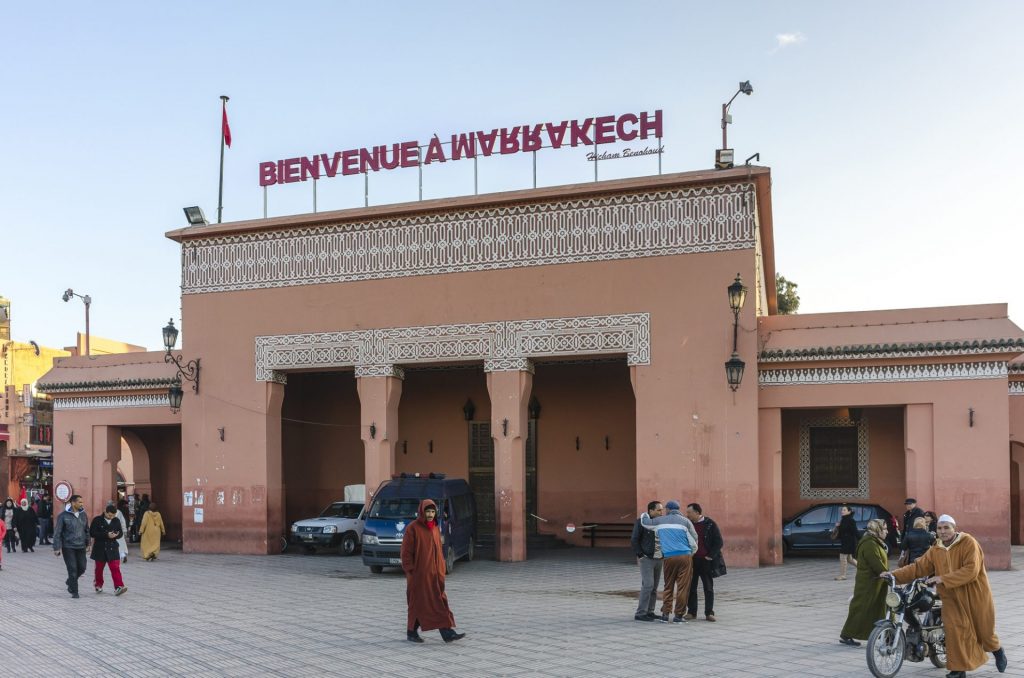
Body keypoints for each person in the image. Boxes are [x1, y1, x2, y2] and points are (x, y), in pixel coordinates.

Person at [890, 514, 1008, 677]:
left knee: (984, 631)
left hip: (975, 595)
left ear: (954, 528)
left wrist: (942, 578)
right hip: (950, 596)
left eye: (946, 527)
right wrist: (893, 575)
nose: (943, 531)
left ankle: (997, 650)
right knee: (954, 631)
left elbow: (971, 570)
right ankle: (958, 670)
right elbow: (918, 568)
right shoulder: (936, 549)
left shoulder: (969, 543)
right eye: (939, 528)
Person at [400, 499, 465, 643]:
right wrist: (411, 571)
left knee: (439, 602)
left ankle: (447, 632)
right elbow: (406, 552)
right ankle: (411, 632)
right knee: (418, 604)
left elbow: (438, 551)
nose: (430, 514)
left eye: (432, 511)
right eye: (427, 511)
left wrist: (441, 569)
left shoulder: (435, 527)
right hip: (419, 576)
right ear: (422, 512)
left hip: (435, 575)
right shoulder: (413, 528)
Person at [641, 499, 698, 623]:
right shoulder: (686, 521)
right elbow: (694, 538)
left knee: (668, 586)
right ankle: (678, 616)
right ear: (678, 509)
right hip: (685, 556)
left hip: (669, 557)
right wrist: (692, 552)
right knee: (683, 587)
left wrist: (644, 514)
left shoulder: (660, 521)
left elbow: (645, 523)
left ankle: (665, 615)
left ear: (668, 509)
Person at [839, 518, 890, 646]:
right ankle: (847, 634)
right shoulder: (870, 544)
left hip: (875, 583)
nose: (887, 531)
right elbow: (876, 563)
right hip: (869, 583)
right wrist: (889, 575)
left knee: (881, 608)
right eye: (884, 529)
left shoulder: (874, 541)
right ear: (877, 530)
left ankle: (888, 636)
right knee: (861, 608)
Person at [684, 503, 724, 622]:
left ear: (697, 512)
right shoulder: (687, 524)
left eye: (689, 512)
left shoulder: (710, 524)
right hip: (691, 560)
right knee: (691, 587)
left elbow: (719, 542)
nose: (687, 515)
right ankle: (691, 612)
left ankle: (709, 612)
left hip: (705, 561)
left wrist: (710, 556)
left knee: (708, 587)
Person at [630, 500, 664, 621]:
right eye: (659, 510)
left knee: (654, 587)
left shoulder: (661, 522)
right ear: (651, 510)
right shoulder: (641, 522)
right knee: (648, 585)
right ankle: (640, 613)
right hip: (647, 558)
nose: (661, 512)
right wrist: (640, 555)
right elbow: (634, 539)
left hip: (659, 558)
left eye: (662, 510)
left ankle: (650, 611)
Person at [53, 495, 89, 598]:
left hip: (81, 545)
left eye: (82, 502)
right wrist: (56, 547)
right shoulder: (63, 516)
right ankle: (74, 591)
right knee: (72, 569)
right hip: (68, 546)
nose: (82, 504)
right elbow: (57, 533)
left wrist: (88, 543)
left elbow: (87, 530)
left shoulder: (83, 515)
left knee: (82, 567)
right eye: (80, 502)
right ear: (73, 503)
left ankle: (70, 581)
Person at [90, 504, 127, 595]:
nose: (111, 517)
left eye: (113, 515)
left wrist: (116, 535)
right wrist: (106, 535)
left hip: (113, 547)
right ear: (105, 512)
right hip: (100, 548)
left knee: (115, 568)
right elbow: (92, 533)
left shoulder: (116, 520)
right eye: (110, 515)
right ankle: (98, 585)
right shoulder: (97, 520)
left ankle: (119, 586)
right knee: (99, 569)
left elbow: (120, 533)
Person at [835, 505, 859, 581]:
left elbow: (855, 531)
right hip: (845, 541)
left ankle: (843, 575)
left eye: (844, 510)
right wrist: (838, 526)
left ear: (849, 511)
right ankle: (864, 569)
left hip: (849, 542)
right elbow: (842, 531)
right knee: (850, 559)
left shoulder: (851, 520)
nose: (842, 511)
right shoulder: (843, 519)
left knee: (842, 557)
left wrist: (862, 539)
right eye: (842, 510)